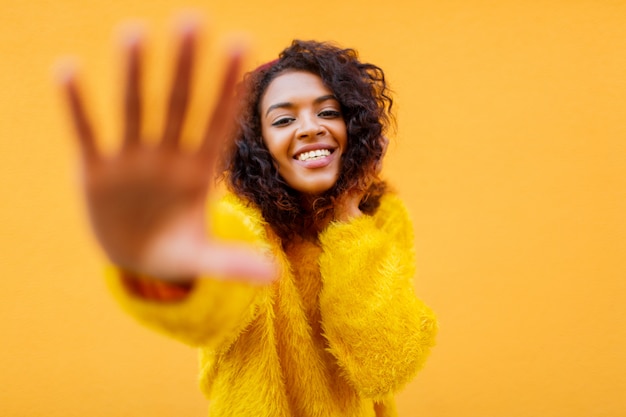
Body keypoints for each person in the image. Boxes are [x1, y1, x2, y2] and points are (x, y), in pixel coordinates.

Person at [58, 19, 437, 417]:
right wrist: (161, 265)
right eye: (283, 120)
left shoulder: (379, 219)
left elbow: (385, 365)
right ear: (259, 146)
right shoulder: (239, 227)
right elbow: (208, 305)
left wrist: (347, 219)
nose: (310, 128)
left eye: (328, 111)